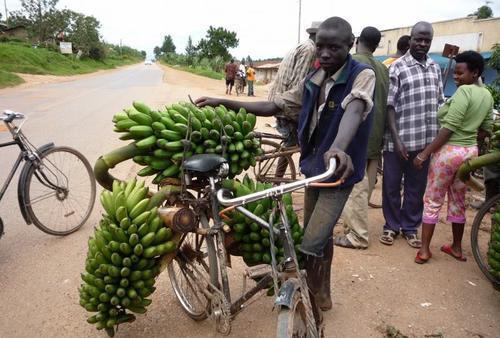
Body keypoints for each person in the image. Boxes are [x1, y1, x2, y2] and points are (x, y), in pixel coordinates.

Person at [197, 17, 376, 322]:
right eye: (321, 46)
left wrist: (339, 147)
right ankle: (322, 290)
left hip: (339, 171)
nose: (326, 53)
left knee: (310, 243)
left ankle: (311, 303)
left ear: (350, 44)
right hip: (314, 169)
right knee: (318, 236)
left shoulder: (363, 74)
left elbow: (355, 109)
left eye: (335, 47)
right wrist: (223, 102)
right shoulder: (314, 78)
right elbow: (276, 105)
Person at [413, 51, 493, 263]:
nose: (456, 77)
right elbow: (486, 130)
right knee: (458, 200)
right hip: (470, 153)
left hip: (448, 152)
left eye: (460, 72)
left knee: (432, 199)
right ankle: (456, 248)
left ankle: (424, 251)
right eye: (455, 72)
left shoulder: (464, 92)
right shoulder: (487, 95)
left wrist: (424, 153)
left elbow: (449, 128)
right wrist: (468, 136)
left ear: (475, 73)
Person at [380, 21, 444, 248]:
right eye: (419, 39)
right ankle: (390, 226)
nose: (423, 44)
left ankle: (409, 227)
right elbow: (389, 106)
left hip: (424, 142)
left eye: (427, 40)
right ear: (411, 38)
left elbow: (439, 102)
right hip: (397, 141)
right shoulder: (397, 67)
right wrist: (396, 140)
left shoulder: (436, 67)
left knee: (416, 188)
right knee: (391, 185)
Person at [336, 26, 389, 249]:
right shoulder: (383, 68)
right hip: (376, 134)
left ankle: (357, 235)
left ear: (356, 40)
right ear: (377, 45)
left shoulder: (352, 64)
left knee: (355, 186)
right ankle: (352, 226)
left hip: (355, 135)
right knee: (364, 185)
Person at [267, 21, 320, 168]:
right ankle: (279, 181)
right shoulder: (310, 50)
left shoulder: (302, 45)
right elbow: (298, 81)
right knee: (297, 142)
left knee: (290, 144)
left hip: (278, 97)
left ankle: (280, 179)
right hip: (284, 101)